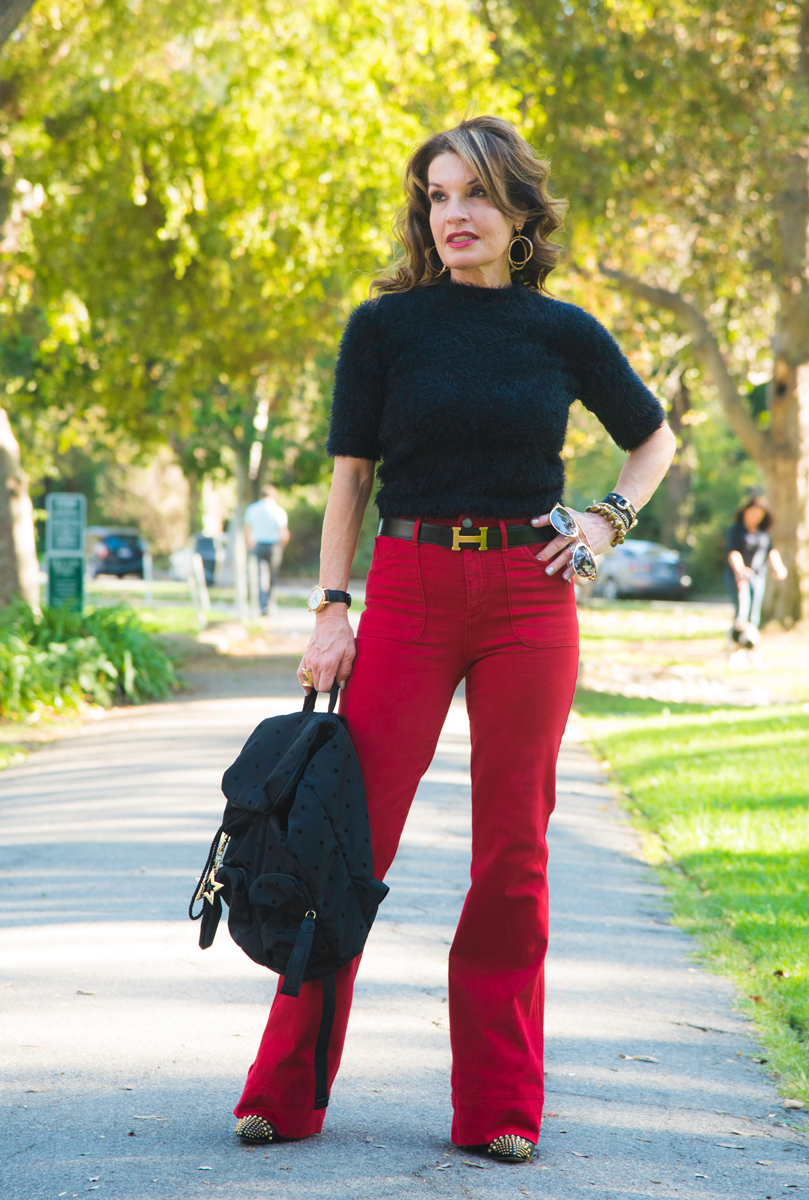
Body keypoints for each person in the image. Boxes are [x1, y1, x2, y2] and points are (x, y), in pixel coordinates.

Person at [232, 116, 675, 1163]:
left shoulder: (561, 332)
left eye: (472, 194)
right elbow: (349, 479)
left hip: (529, 595)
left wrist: (606, 519)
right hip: (413, 587)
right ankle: (283, 1089)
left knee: (512, 854)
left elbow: (650, 437)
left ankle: (499, 1107)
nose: (452, 216)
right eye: (435, 197)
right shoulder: (382, 330)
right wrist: (331, 609)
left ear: (519, 212)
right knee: (343, 837)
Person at [725, 496, 787, 656]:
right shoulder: (736, 530)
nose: (755, 517)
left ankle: (751, 650)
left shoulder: (764, 533)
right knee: (741, 614)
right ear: (745, 511)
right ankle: (733, 647)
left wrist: (778, 567)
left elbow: (770, 551)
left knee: (754, 616)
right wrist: (739, 571)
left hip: (757, 576)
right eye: (753, 512)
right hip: (738, 577)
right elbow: (733, 552)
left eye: (759, 514)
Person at [243, 484, 289, 614]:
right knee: (272, 576)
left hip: (258, 545)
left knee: (261, 576)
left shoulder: (252, 509)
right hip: (274, 546)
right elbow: (283, 533)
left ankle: (263, 605)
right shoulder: (278, 510)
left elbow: (248, 529)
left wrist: (250, 543)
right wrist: (282, 546)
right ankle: (270, 602)